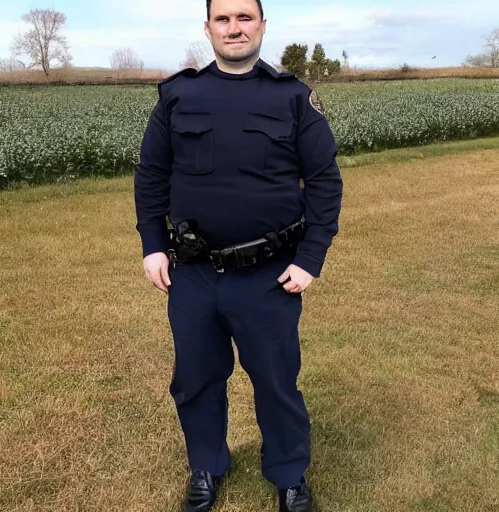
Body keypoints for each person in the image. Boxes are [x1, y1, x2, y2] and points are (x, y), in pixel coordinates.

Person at [134, 0, 343, 510]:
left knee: (276, 380)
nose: (234, 27)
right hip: (195, 276)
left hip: (269, 276)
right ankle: (206, 466)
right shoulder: (180, 95)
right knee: (196, 379)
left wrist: (310, 257)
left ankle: (289, 475)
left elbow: (323, 181)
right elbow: (151, 175)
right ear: (208, 28)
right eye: (223, 18)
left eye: (244, 17)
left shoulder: (293, 97)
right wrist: (152, 244)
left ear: (262, 26)